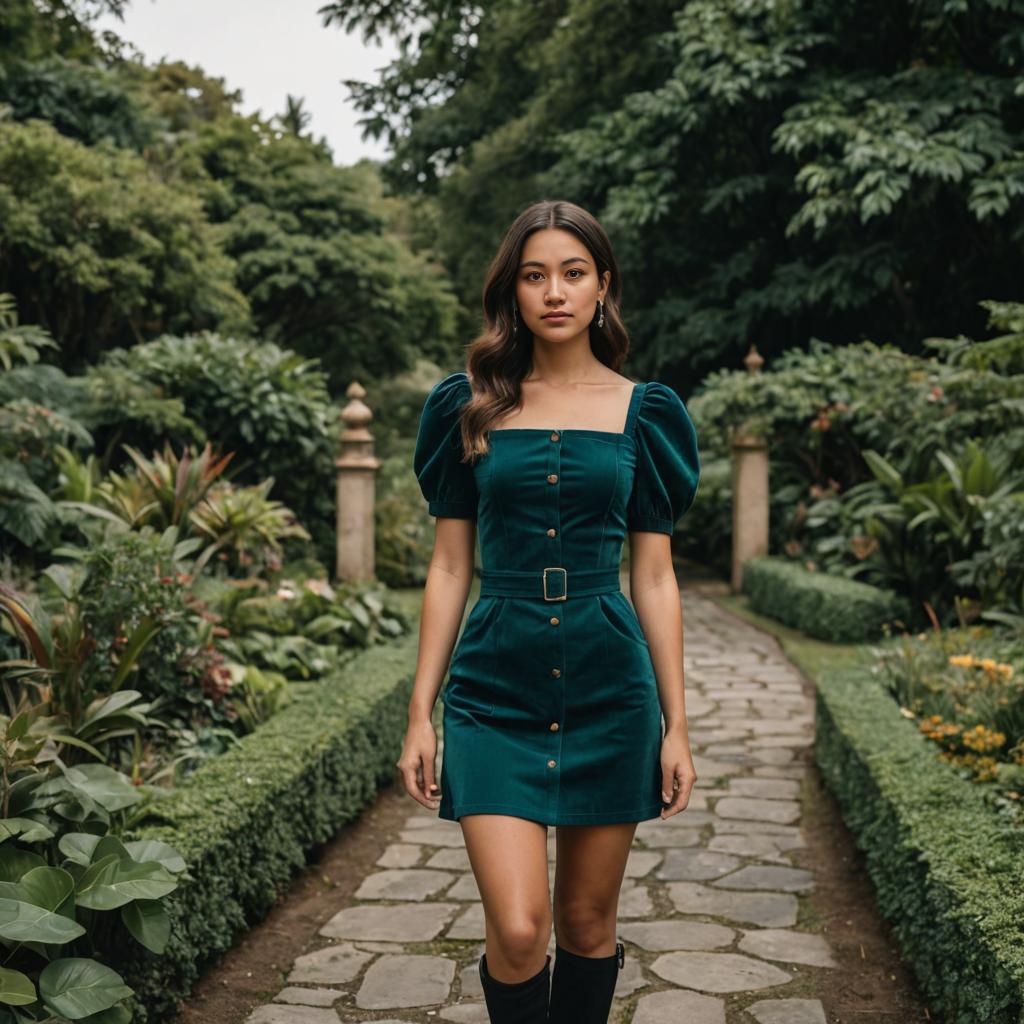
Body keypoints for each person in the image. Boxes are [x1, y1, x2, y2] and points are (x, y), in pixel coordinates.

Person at [398, 198, 701, 1024]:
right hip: (496, 684)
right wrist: (421, 712)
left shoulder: (648, 413)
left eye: (573, 273)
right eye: (535, 275)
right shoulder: (469, 404)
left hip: (611, 685)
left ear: (603, 286)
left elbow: (657, 578)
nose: (554, 292)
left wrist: (676, 724)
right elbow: (452, 563)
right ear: (513, 291)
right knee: (521, 925)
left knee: (586, 921)